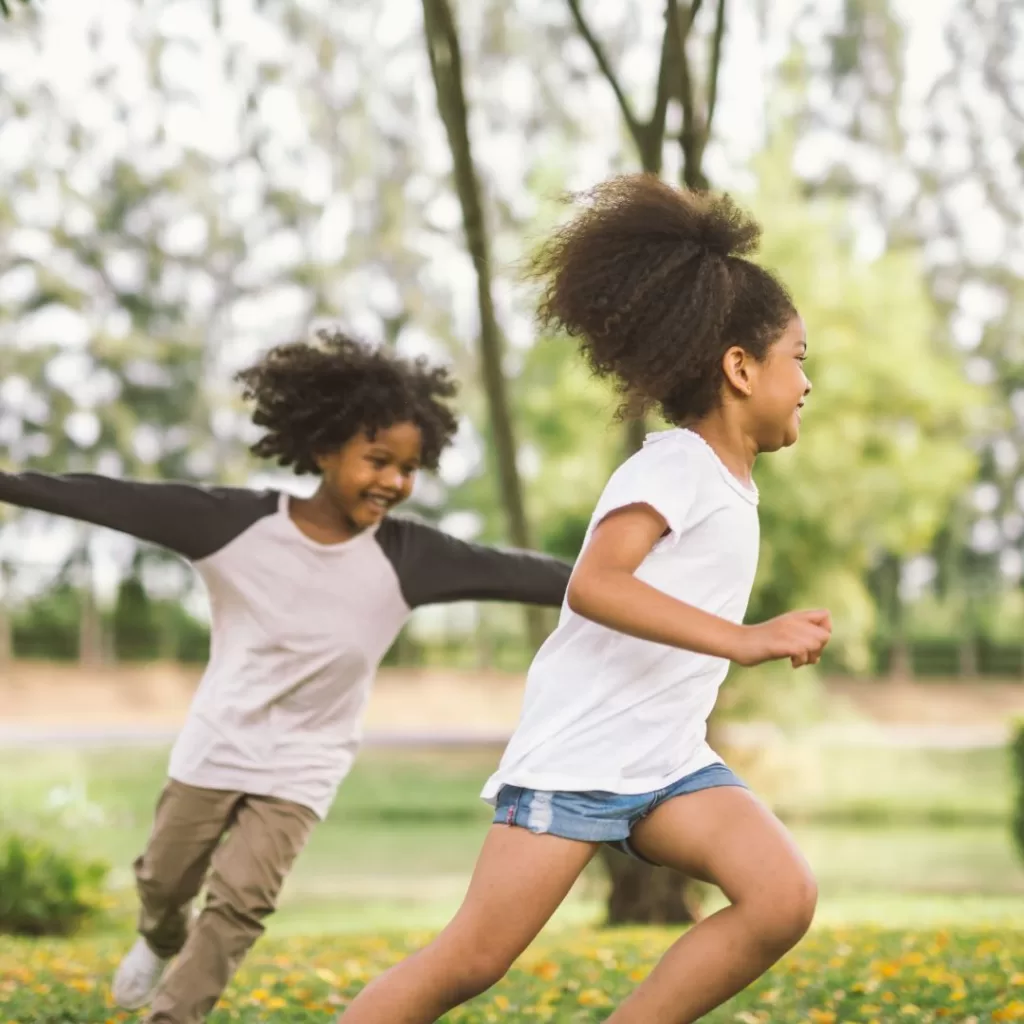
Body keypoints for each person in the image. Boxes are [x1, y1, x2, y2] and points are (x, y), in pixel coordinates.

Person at [335, 175, 832, 1024]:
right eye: (800, 360)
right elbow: (595, 584)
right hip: (581, 762)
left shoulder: (726, 481)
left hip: (668, 765)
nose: (808, 384)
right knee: (473, 959)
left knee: (781, 896)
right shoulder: (674, 465)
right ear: (741, 368)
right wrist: (742, 639)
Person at [0, 329, 572, 1024]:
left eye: (409, 467)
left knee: (243, 900)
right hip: (220, 741)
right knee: (164, 878)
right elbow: (111, 499)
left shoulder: (411, 557)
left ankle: (172, 1017)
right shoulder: (232, 525)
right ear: (325, 449)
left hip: (306, 760)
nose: (394, 481)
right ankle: (160, 932)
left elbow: (522, 573)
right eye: (378, 460)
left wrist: (628, 583)